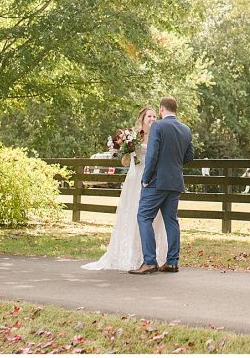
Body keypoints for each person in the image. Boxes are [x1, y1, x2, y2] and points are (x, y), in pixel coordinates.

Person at [82, 107, 168, 271]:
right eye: (149, 116)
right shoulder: (135, 136)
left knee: (153, 216)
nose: (152, 118)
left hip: (152, 178)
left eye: (154, 116)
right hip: (135, 178)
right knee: (133, 211)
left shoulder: (159, 134)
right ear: (142, 119)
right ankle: (131, 253)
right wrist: (124, 148)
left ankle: (151, 255)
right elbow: (125, 160)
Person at [130, 96, 193, 275]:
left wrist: (146, 178)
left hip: (157, 181)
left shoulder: (158, 126)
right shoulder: (186, 129)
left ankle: (150, 261)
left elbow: (152, 155)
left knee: (143, 216)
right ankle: (172, 262)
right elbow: (189, 157)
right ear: (175, 109)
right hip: (175, 181)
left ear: (161, 109)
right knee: (171, 220)